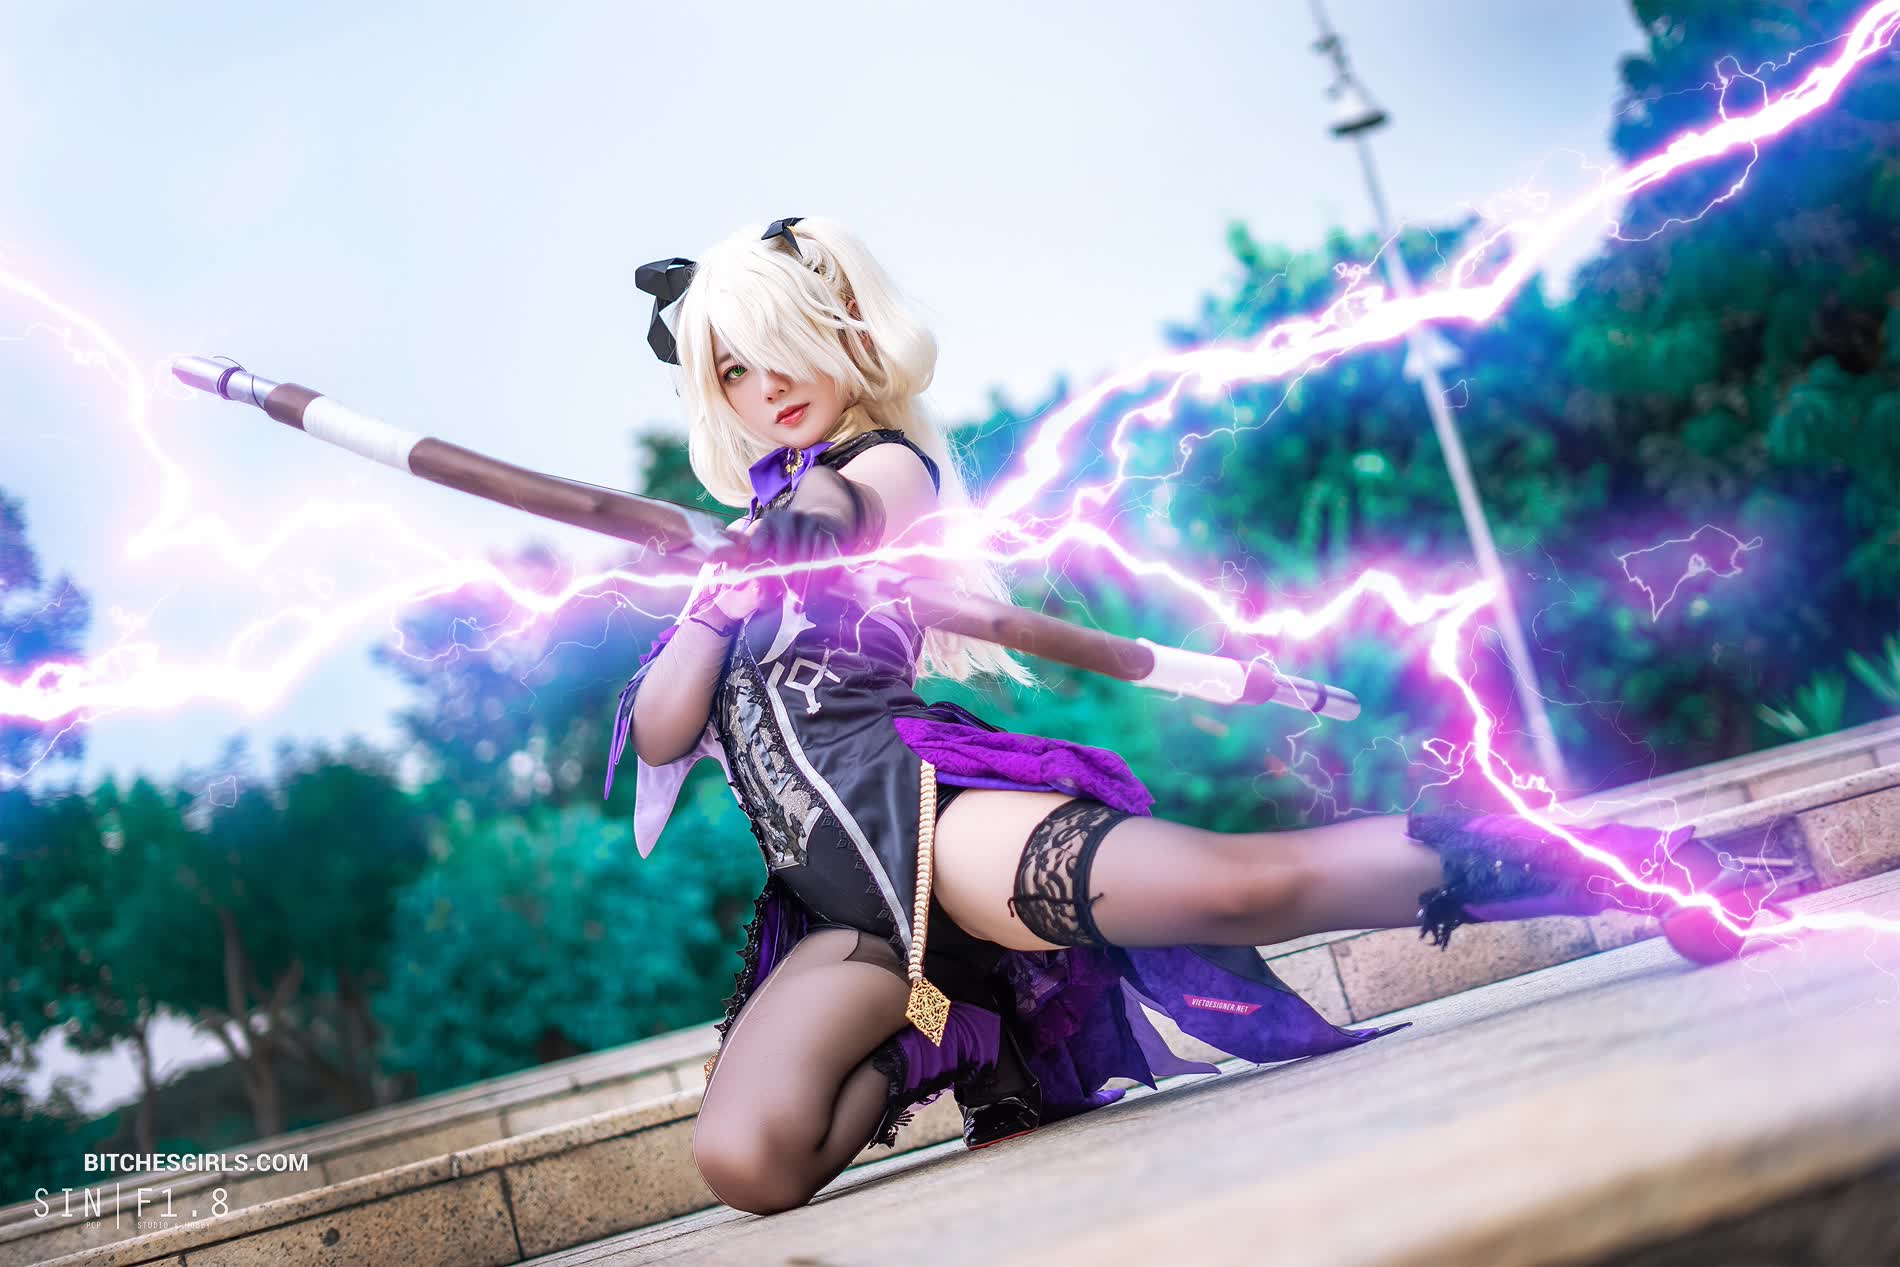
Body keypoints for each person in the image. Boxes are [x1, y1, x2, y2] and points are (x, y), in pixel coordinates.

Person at [604, 216, 1780, 1217]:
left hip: (931, 823)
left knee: (1237, 887)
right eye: (736, 372)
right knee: (749, 1161)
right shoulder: (740, 550)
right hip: (841, 908)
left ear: (838, 334)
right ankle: (954, 1021)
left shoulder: (878, 467)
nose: (769, 386)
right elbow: (662, 727)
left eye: (782, 351)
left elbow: (844, 511)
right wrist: (720, 597)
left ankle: (1642, 866)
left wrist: (782, 538)